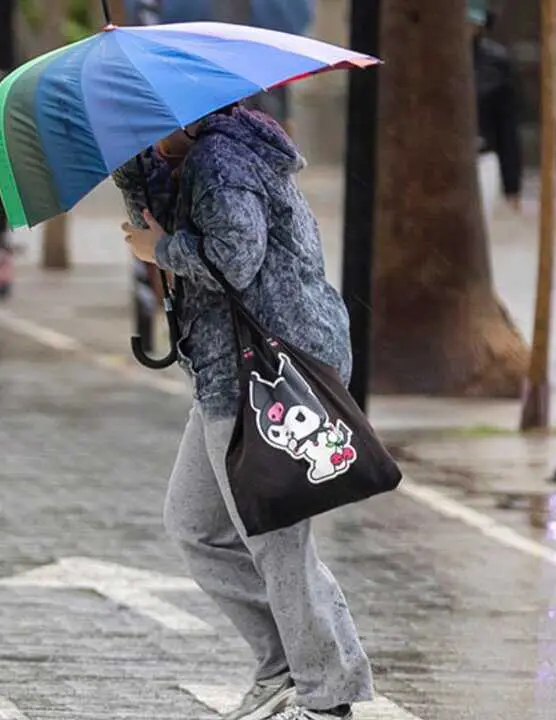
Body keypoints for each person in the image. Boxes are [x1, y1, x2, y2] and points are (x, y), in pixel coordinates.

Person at [114, 105, 373, 720]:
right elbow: (171, 217)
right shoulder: (200, 156)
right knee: (196, 525)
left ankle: (324, 693)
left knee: (276, 540)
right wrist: (134, 175)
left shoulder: (222, 161)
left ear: (187, 116)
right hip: (227, 371)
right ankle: (291, 666)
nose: (145, 138)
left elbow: (235, 258)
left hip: (266, 373)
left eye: (148, 126)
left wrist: (163, 248)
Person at [470, 0, 523, 232]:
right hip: (438, 161)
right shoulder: (430, 61)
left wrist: (512, 184)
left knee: (473, 232)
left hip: (481, 157)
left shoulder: (496, 63)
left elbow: (507, 126)